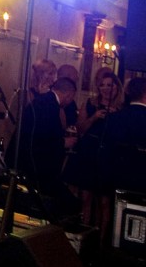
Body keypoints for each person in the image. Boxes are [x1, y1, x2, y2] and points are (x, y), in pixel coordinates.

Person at [63, 69, 123, 232]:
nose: (106, 89)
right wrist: (94, 117)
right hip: (89, 153)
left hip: (109, 156)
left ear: (116, 87)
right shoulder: (90, 103)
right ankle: (83, 235)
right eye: (102, 85)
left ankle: (101, 240)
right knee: (86, 197)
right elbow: (80, 128)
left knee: (104, 201)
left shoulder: (122, 108)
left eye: (110, 85)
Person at [10, 76, 78, 212]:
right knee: (66, 204)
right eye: (72, 98)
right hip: (35, 165)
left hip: (25, 160)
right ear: (69, 95)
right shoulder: (50, 106)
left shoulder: (43, 100)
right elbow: (42, 137)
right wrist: (63, 142)